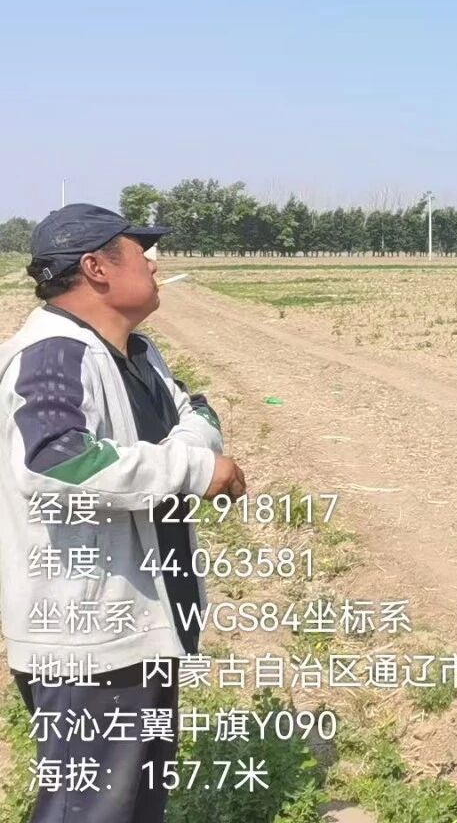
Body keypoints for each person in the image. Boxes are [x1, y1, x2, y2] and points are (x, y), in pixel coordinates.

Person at [0, 204, 244, 823]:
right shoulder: (54, 354)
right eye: (141, 252)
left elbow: (198, 413)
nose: (155, 264)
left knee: (135, 803)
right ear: (96, 268)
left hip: (142, 622)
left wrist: (191, 448)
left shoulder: (137, 353)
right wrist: (193, 467)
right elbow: (53, 460)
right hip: (89, 638)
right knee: (88, 808)